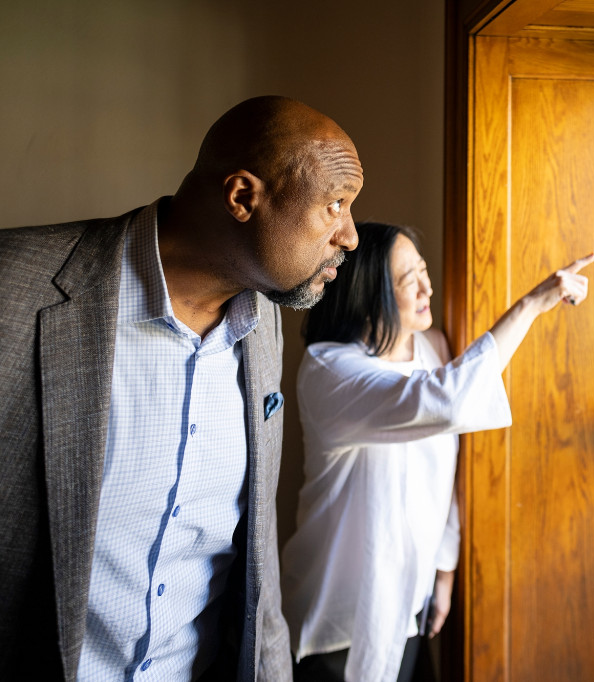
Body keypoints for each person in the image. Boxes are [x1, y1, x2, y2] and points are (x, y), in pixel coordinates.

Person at [0, 95, 363, 680]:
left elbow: (255, 561)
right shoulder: (14, 286)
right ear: (243, 197)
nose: (349, 236)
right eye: (335, 205)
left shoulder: (263, 325)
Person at [280, 221, 594, 682]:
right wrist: (532, 304)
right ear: (371, 293)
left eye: (424, 271)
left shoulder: (432, 348)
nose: (427, 286)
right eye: (410, 279)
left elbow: (443, 473)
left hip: (411, 601)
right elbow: (447, 401)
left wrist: (444, 573)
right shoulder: (330, 370)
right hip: (337, 619)